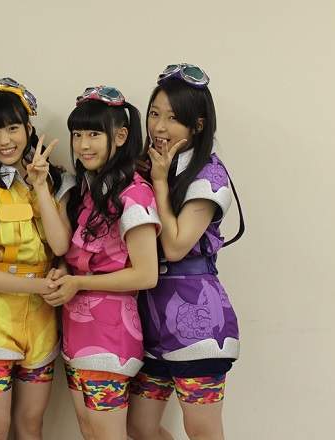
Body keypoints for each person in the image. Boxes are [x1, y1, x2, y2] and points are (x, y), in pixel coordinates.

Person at [126, 64, 240, 440]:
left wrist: (159, 183)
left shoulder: (209, 175)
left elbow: (175, 247)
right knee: (138, 427)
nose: (159, 126)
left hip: (198, 320)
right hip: (150, 317)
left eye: (173, 118)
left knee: (202, 430)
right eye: (154, 113)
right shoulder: (152, 165)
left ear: (198, 125)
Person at [40, 86, 160, 440]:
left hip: (111, 332)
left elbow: (146, 275)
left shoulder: (134, 193)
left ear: (120, 136)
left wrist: (80, 283)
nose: (83, 145)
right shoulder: (87, 191)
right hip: (77, 330)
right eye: (77, 134)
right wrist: (66, 272)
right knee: (91, 433)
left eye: (94, 134)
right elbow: (70, 252)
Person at [0, 77, 74, 440]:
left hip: (41, 323)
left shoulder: (53, 182)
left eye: (12, 128)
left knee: (31, 425)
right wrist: (43, 286)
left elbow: (60, 246)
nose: (4, 140)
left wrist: (40, 186)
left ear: (28, 129)